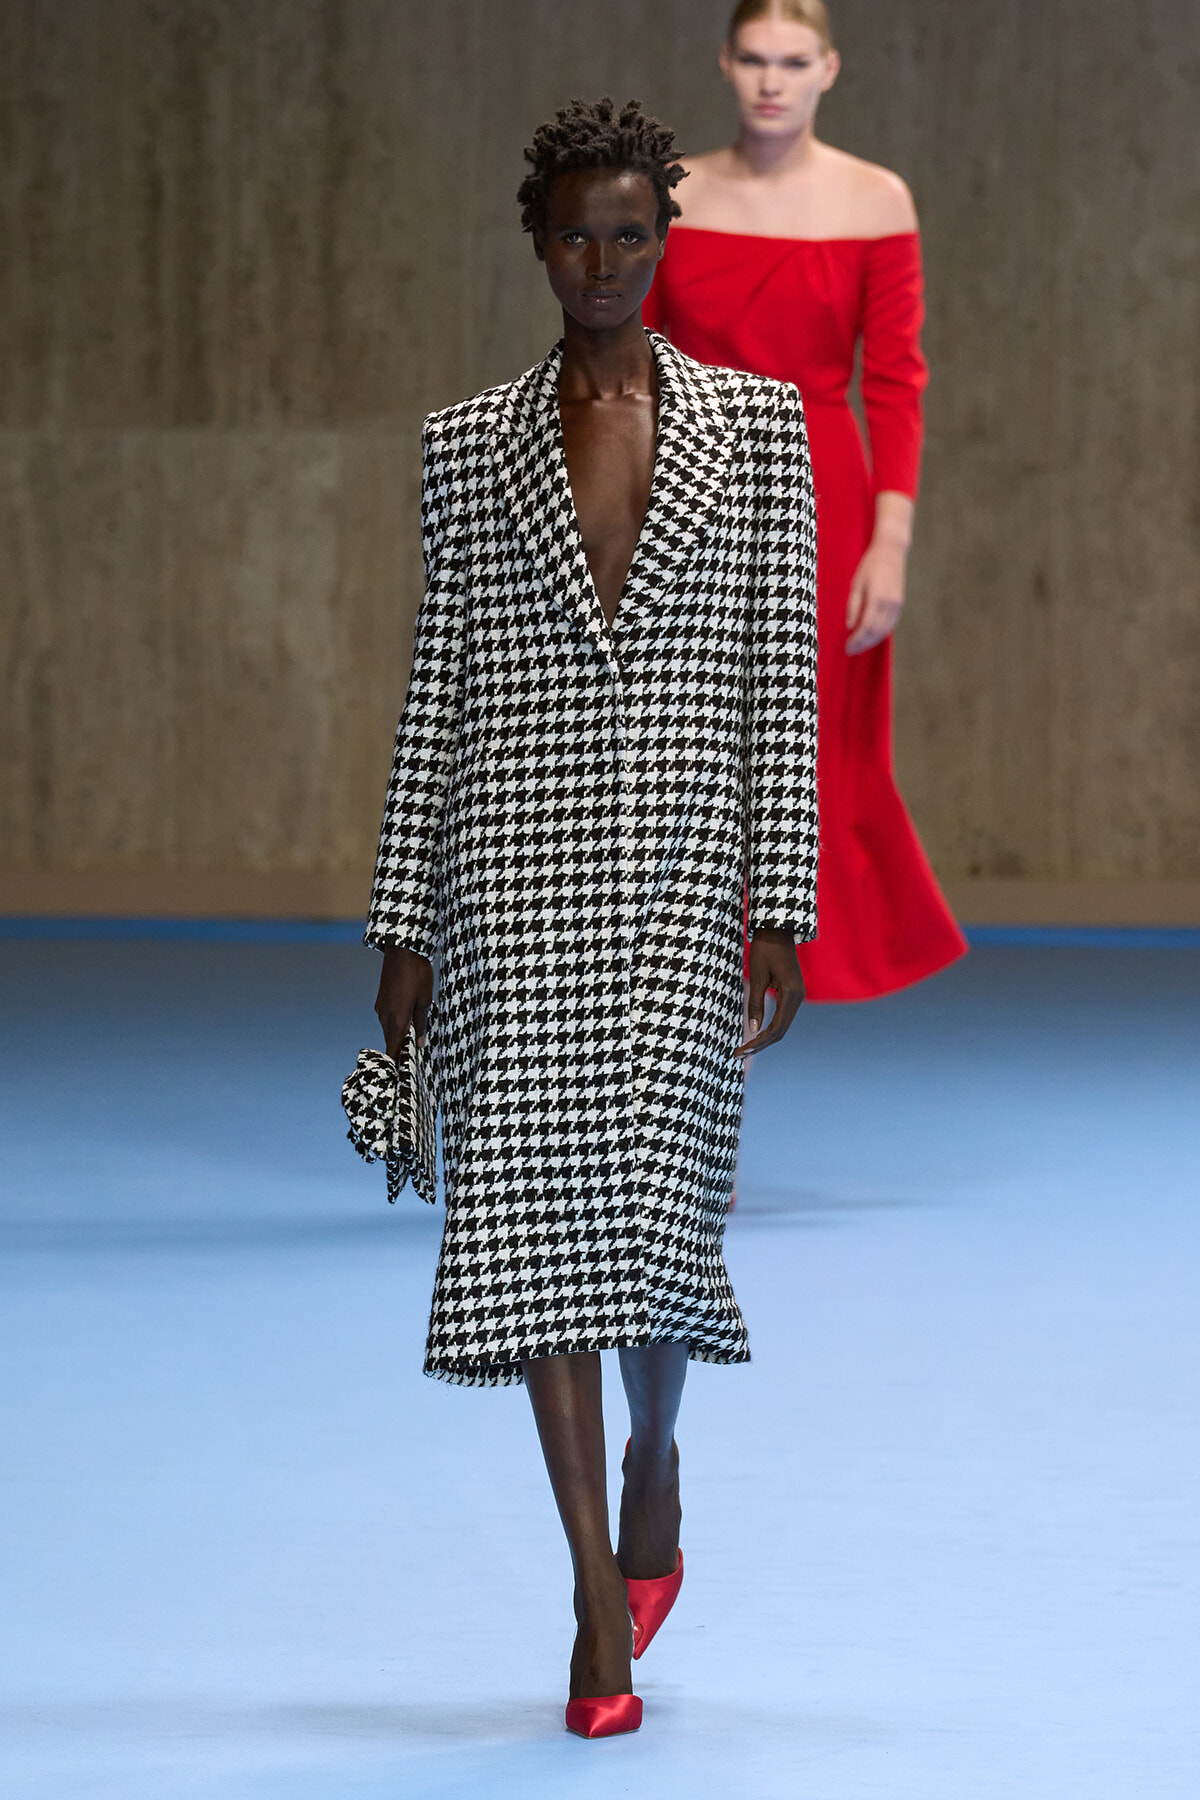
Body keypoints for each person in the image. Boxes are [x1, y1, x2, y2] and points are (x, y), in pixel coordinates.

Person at [365, 98, 818, 1737]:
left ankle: (653, 1449)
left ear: (664, 242)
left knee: (657, 1228)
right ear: (535, 242)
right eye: (575, 233)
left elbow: (784, 683)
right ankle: (588, 1603)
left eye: (631, 232)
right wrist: (405, 915)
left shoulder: (761, 433)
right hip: (515, 878)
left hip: (692, 881)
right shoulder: (466, 441)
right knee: (538, 1235)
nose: (603, 260)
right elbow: (438, 686)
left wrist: (790, 900)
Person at [643, 0, 967, 1000]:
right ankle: (673, 975)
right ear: (724, 65)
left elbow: (897, 380)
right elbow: (627, 367)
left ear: (831, 69)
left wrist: (892, 545)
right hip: (684, 492)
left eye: (793, 61)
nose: (771, 80)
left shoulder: (878, 199)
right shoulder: (672, 193)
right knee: (675, 743)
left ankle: (777, 969)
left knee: (813, 741)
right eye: (753, 59)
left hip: (824, 494)